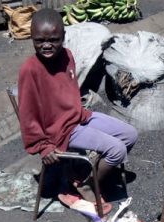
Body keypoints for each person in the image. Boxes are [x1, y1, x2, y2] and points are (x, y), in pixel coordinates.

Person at [18, 8, 138, 204]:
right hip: (58, 131)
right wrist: (43, 147)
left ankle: (89, 172)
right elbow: (27, 115)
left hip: (77, 117)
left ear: (64, 37)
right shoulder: (30, 70)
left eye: (54, 40)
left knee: (130, 134)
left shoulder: (67, 56)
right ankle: (87, 184)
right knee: (117, 150)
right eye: (40, 41)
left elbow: (70, 89)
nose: (46, 45)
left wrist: (78, 109)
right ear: (31, 38)